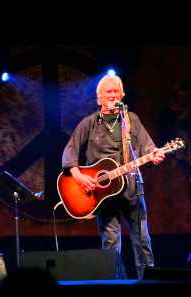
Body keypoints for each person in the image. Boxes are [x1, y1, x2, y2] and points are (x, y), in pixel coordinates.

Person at [61, 74, 166, 279]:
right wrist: (78, 175)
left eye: (116, 91)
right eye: (108, 92)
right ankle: (116, 285)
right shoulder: (89, 123)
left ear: (122, 95)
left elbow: (147, 146)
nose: (112, 95)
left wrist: (155, 154)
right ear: (98, 98)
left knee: (143, 240)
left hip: (132, 188)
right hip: (103, 193)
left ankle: (148, 283)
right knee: (111, 244)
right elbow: (70, 151)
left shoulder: (131, 119)